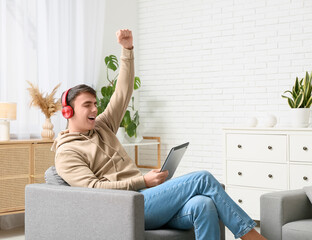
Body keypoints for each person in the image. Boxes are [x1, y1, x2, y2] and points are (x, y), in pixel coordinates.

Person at [51, 29, 266, 240]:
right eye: (87, 105)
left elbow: (122, 93)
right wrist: (142, 180)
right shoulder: (66, 152)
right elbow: (93, 189)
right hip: (125, 207)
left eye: (95, 104)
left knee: (204, 205)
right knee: (202, 178)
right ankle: (252, 236)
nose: (95, 110)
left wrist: (127, 51)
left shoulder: (102, 126)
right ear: (68, 112)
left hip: (146, 198)